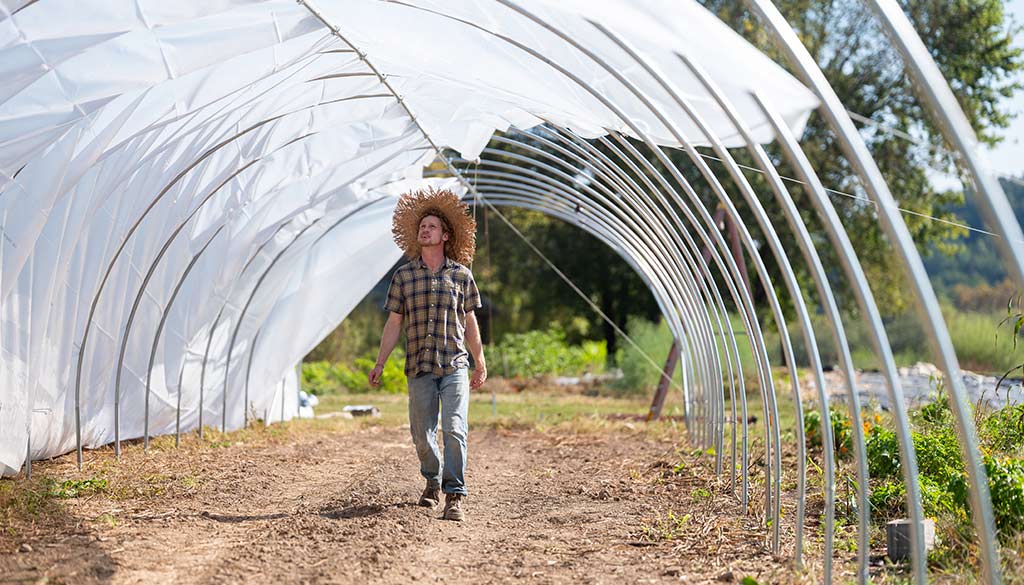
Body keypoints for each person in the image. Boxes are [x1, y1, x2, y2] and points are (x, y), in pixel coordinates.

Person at [368, 186, 487, 522]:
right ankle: (432, 480)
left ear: (445, 236)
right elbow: (394, 323)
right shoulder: (404, 276)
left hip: (454, 365)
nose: (425, 229)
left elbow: (470, 321)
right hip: (418, 366)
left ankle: (454, 495)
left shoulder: (461, 276)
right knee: (422, 434)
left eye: (432, 226)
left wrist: (480, 361)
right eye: (422, 226)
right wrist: (379, 363)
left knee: (454, 427)